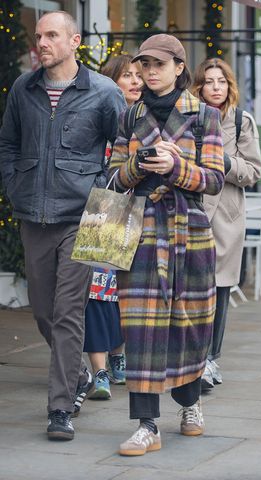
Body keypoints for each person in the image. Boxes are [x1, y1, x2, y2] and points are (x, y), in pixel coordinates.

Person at [0, 11, 125, 441]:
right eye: (38, 36)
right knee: (41, 308)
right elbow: (8, 142)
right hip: (33, 214)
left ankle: (60, 409)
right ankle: (77, 375)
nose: (42, 42)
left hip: (85, 216)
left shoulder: (104, 91)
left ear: (74, 42)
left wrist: (104, 199)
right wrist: (14, 184)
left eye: (52, 35)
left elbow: (123, 149)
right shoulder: (24, 88)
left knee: (70, 309)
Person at [108, 34, 225, 456]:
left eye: (159, 64)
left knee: (191, 322)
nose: (150, 71)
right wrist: (137, 166)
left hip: (189, 231)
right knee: (140, 328)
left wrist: (178, 167)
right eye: (145, 65)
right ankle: (146, 424)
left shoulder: (205, 116)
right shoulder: (129, 115)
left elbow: (213, 179)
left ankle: (190, 404)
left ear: (179, 67)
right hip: (140, 231)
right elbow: (114, 177)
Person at [192, 58, 261, 391]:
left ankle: (210, 360)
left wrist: (226, 161)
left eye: (221, 81)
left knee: (220, 289)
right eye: (209, 81)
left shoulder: (241, 121)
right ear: (200, 86)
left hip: (226, 217)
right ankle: (191, 358)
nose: (216, 87)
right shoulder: (188, 118)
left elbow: (253, 172)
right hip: (193, 212)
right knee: (193, 289)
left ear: (229, 85)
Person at [83, 55, 144, 400]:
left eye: (139, 75)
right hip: (103, 209)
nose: (135, 81)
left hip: (140, 211)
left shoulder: (149, 118)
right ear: (111, 82)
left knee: (125, 293)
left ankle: (119, 357)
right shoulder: (103, 113)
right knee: (96, 293)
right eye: (127, 76)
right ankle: (99, 370)